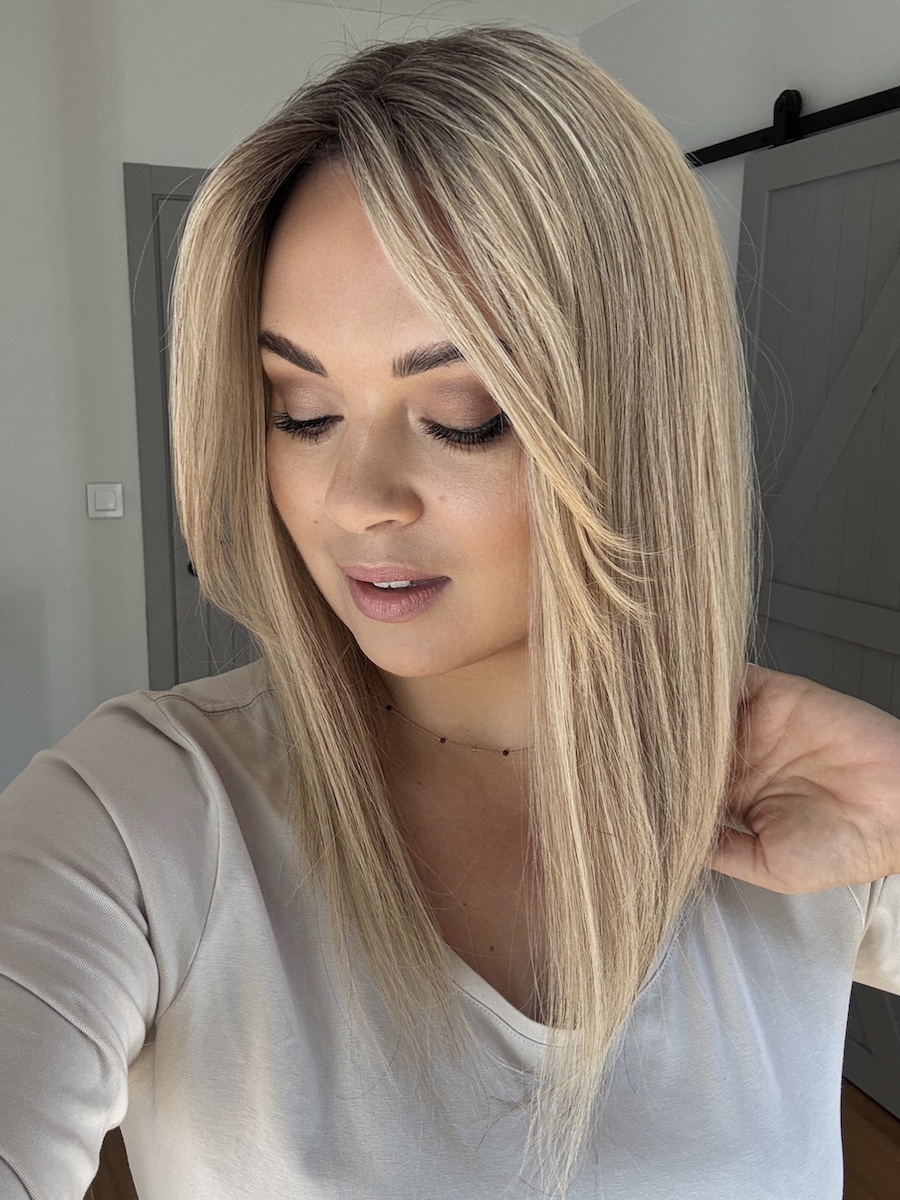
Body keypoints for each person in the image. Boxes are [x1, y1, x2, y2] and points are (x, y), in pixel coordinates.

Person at [1, 23, 898, 1200]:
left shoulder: (795, 805)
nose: (355, 498)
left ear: (639, 424)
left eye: (464, 414)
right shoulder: (136, 815)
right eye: (300, 410)